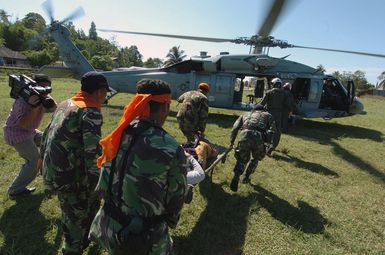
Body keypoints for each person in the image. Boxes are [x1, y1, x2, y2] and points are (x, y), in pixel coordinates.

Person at [89, 79, 187, 255]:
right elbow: (176, 198)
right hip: (142, 237)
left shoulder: (118, 134)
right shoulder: (171, 148)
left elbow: (103, 178)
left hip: (108, 225)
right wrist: (170, 221)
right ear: (165, 106)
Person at [40, 71, 110, 255]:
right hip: (70, 177)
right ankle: (72, 248)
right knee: (76, 217)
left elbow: (46, 135)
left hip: (55, 170)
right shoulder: (90, 111)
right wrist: (99, 185)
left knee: (75, 211)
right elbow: (92, 154)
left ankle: (83, 239)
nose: (105, 97)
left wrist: (41, 162)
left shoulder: (66, 104)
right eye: (105, 92)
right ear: (98, 91)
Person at [3, 73, 56, 197]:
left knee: (52, 142)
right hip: (16, 133)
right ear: (33, 87)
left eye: (46, 89)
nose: (43, 92)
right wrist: (33, 107)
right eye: (41, 88)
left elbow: (55, 108)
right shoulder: (23, 101)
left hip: (30, 132)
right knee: (34, 160)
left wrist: (47, 99)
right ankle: (15, 190)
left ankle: (51, 178)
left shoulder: (43, 97)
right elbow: (23, 124)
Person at [229, 104, 276, 192]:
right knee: (255, 159)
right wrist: (268, 145)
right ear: (263, 110)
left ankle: (236, 176)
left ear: (253, 110)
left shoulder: (245, 114)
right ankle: (246, 178)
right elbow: (272, 131)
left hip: (244, 135)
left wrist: (232, 141)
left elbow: (235, 128)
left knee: (242, 158)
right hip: (259, 138)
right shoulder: (268, 115)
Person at [260, 77, 287, 153]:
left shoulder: (269, 92)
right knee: (277, 131)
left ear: (274, 84)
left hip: (269, 113)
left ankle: (264, 145)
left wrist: (255, 109)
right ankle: (273, 146)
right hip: (279, 114)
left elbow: (262, 103)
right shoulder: (284, 93)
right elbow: (286, 105)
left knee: (265, 129)